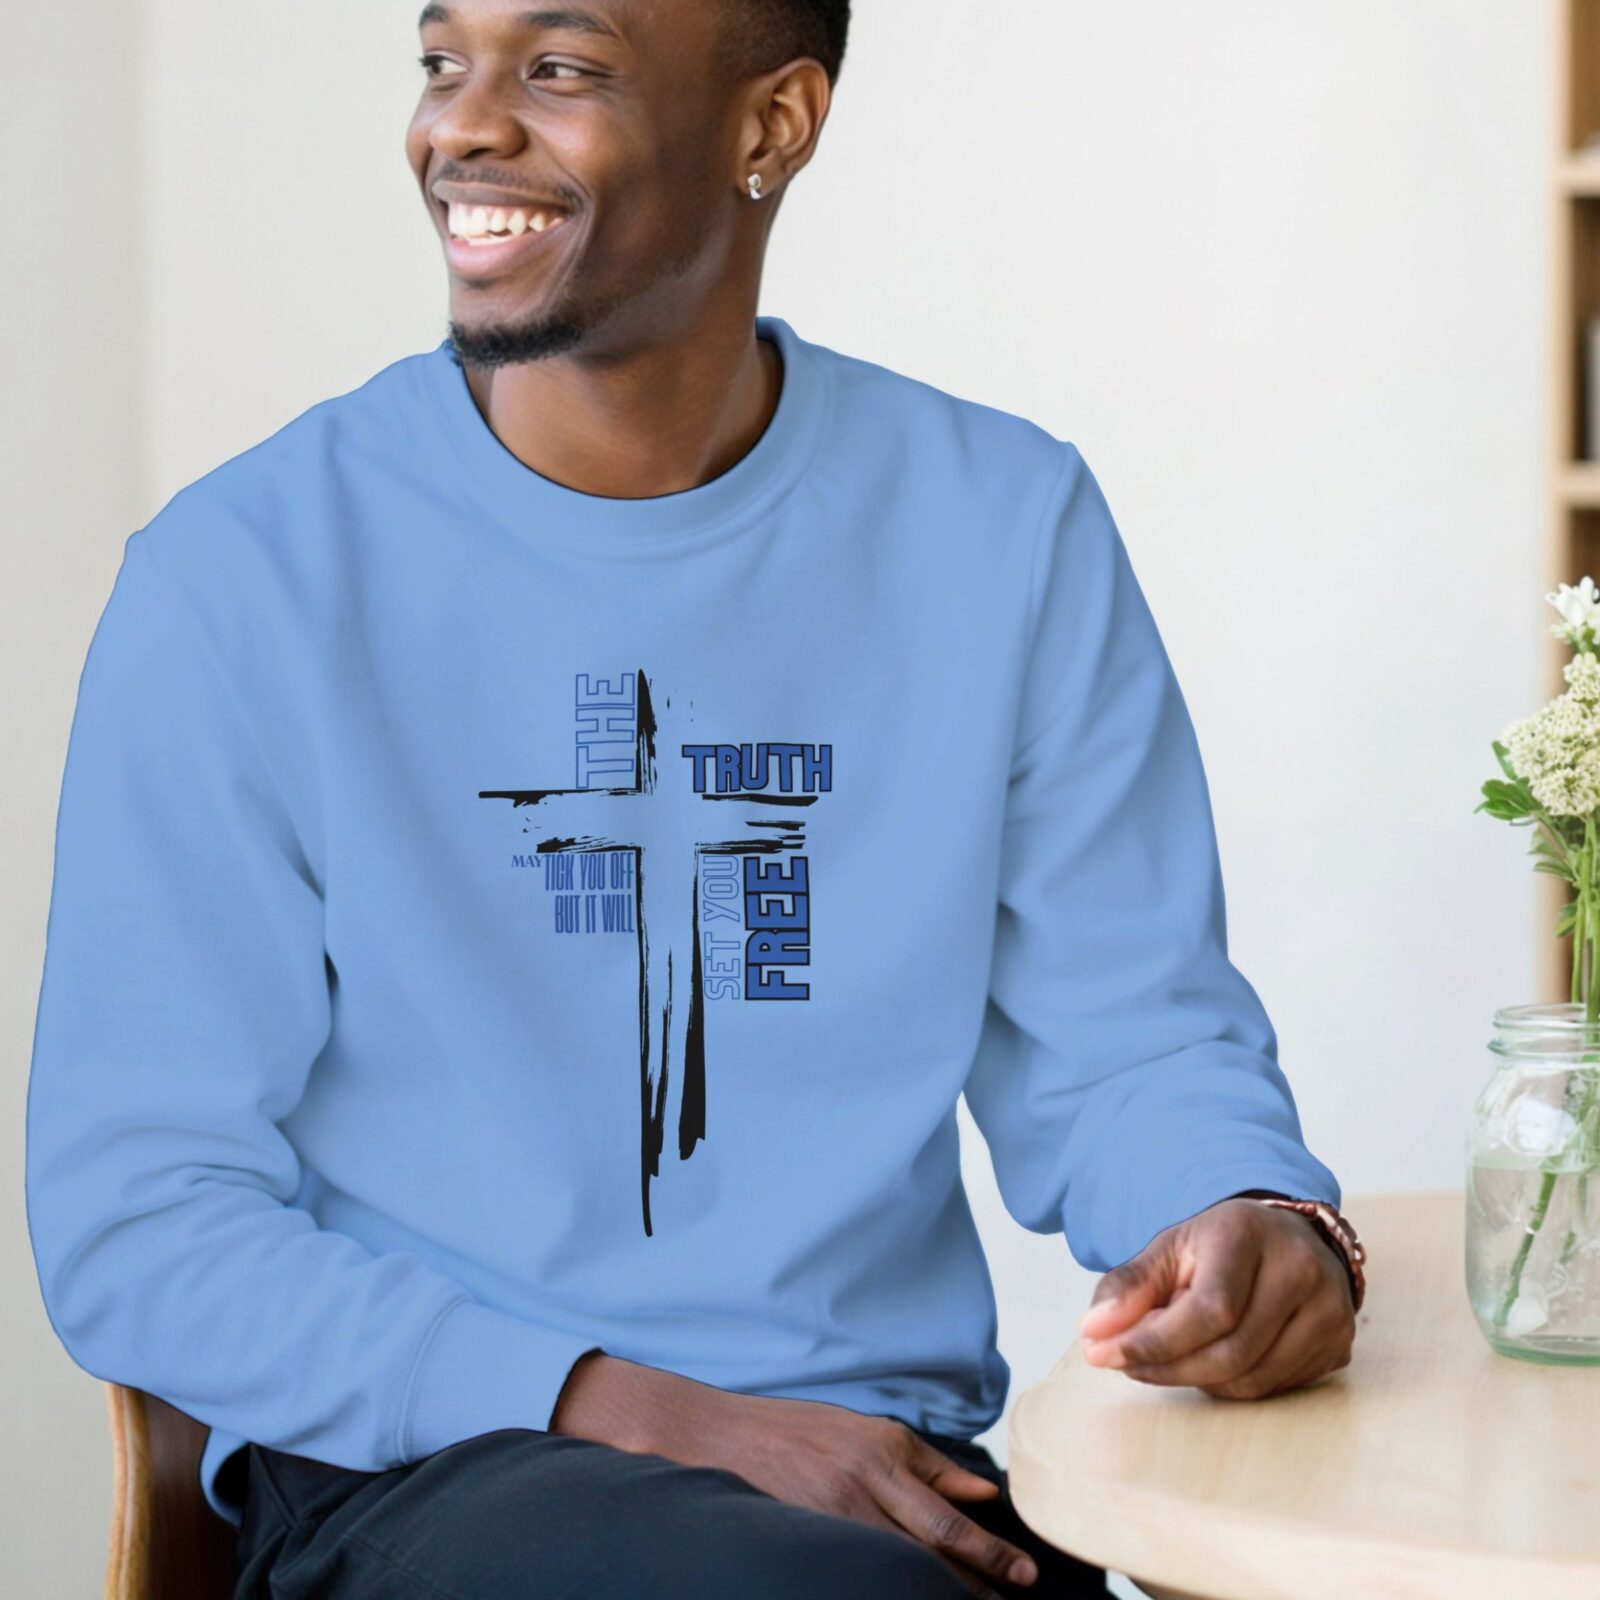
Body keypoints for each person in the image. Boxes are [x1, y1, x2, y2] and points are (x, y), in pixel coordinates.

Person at [24, 2, 1363, 1596]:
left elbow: (1132, 1035)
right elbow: (140, 1221)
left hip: (878, 1474)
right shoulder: (243, 577)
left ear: (770, 126)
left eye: (559, 68)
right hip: (427, 1474)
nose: (463, 125)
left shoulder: (1000, 527)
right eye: (445, 62)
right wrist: (654, 1417)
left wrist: (1247, 1217)